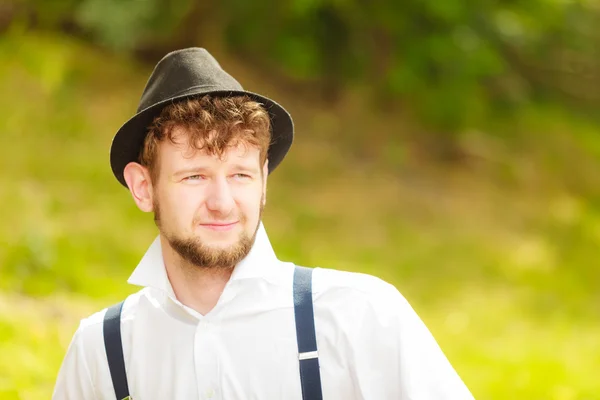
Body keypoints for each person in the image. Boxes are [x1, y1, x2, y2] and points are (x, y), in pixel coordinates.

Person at [53, 48, 475, 400]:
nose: (222, 203)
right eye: (195, 176)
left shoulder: (360, 316)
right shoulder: (101, 351)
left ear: (263, 183)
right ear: (143, 187)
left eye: (240, 175)